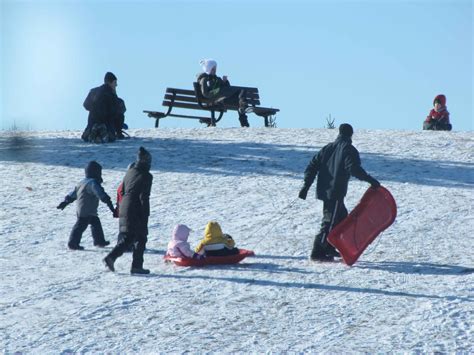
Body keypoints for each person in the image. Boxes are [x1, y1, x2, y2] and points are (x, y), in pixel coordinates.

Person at [298, 123, 380, 262]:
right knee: (330, 221)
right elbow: (353, 168)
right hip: (335, 192)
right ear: (351, 135)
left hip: (326, 190)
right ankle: (318, 252)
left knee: (342, 220)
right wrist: (371, 180)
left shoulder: (328, 148)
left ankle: (330, 247)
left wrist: (306, 186)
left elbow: (312, 166)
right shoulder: (348, 149)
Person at [103, 147, 153, 274]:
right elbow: (144, 196)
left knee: (129, 236)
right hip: (135, 207)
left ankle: (115, 258)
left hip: (124, 206)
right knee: (140, 236)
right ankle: (131, 264)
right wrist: (145, 214)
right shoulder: (146, 175)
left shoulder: (129, 172)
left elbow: (122, 191)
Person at [57, 161, 114, 250]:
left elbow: (73, 194)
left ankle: (99, 241)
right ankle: (73, 243)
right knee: (80, 226)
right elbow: (100, 193)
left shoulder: (81, 182)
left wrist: (65, 202)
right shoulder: (92, 183)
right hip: (86, 210)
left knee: (95, 223)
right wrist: (108, 201)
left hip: (85, 209)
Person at [196, 59, 250, 127]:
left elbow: (227, 89)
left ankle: (243, 109)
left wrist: (225, 82)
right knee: (239, 102)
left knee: (242, 92)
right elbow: (206, 93)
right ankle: (244, 117)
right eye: (213, 68)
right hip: (215, 101)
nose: (215, 70)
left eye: (215, 68)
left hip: (222, 99)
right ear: (209, 69)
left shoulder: (217, 79)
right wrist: (218, 90)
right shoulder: (204, 79)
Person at [82, 72, 125, 142]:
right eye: (115, 83)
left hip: (93, 121)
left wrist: (95, 109)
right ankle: (106, 131)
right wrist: (119, 130)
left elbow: (85, 105)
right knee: (120, 112)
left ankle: (92, 131)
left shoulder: (93, 91)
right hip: (107, 123)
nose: (116, 85)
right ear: (110, 82)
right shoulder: (113, 96)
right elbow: (117, 112)